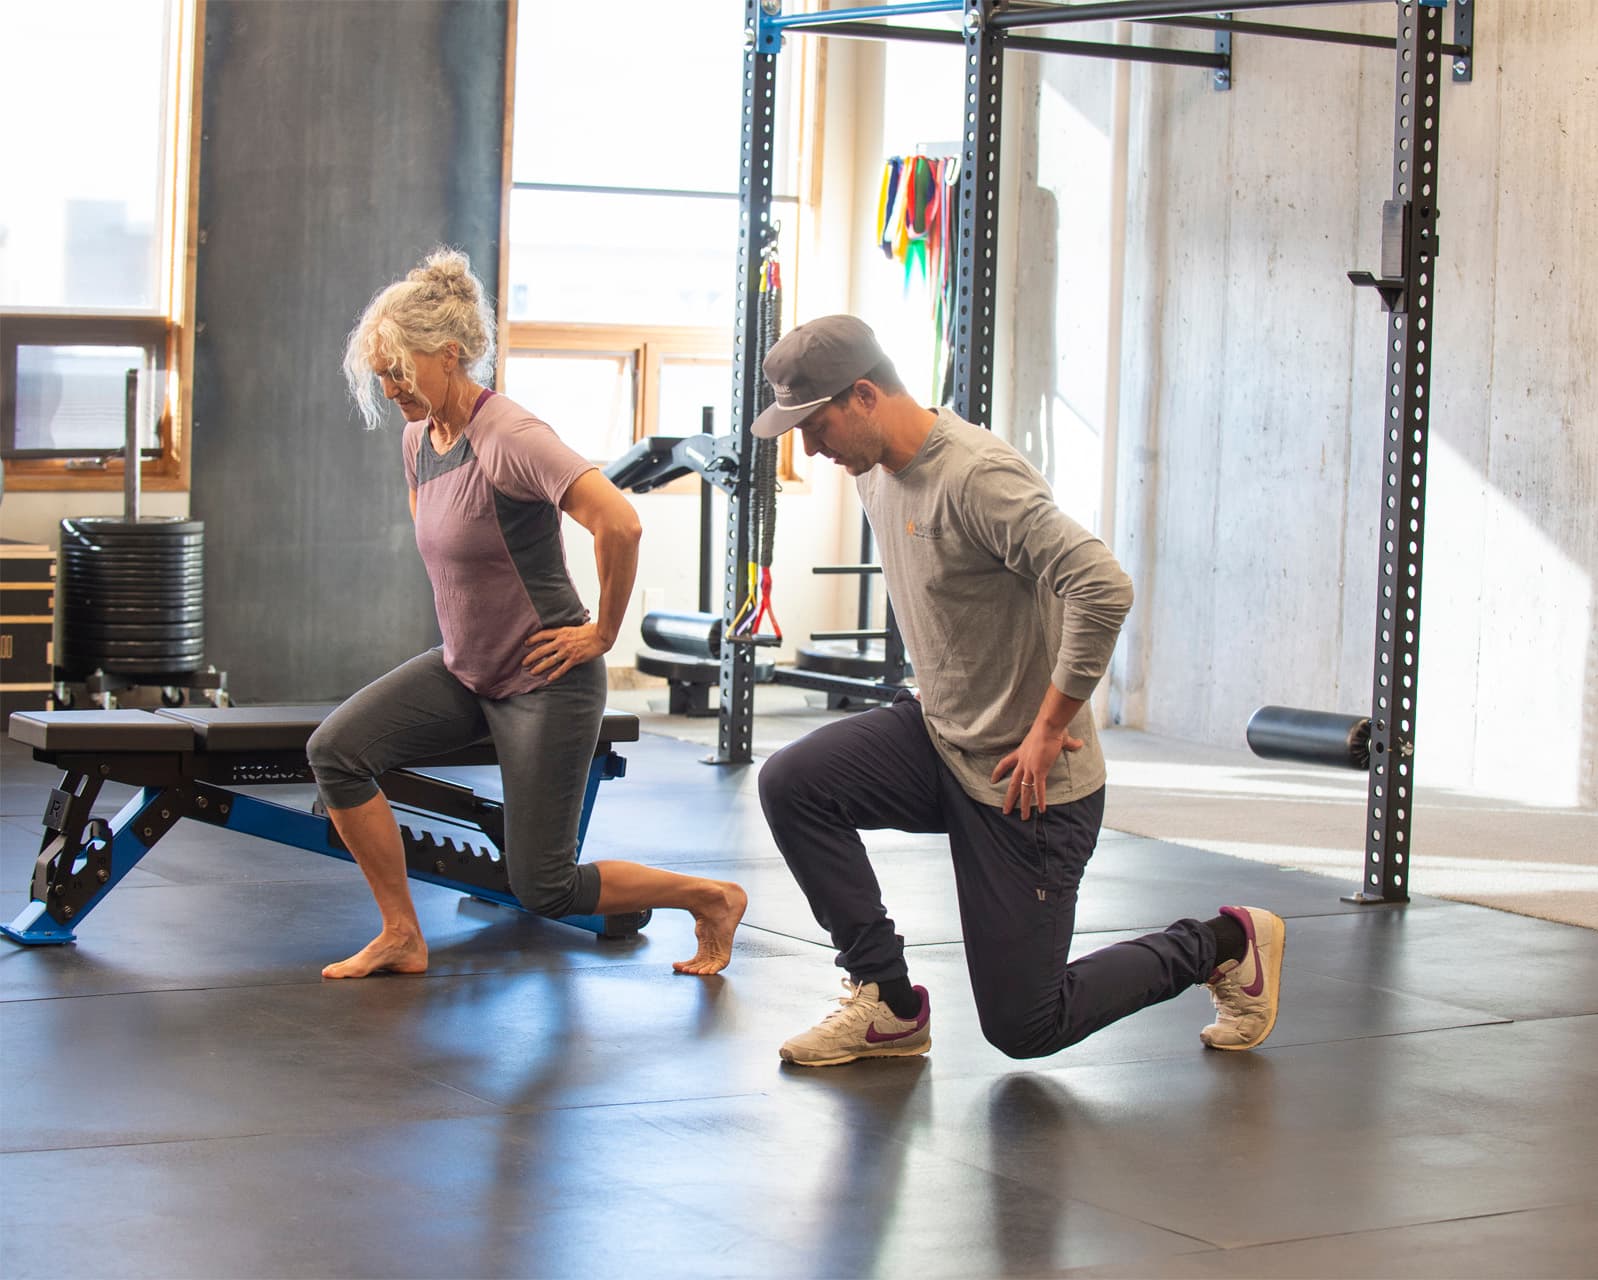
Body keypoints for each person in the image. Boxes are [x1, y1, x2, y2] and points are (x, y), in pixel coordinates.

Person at [751, 315, 1285, 1066]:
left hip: (1028, 784)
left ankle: (1225, 943)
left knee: (1025, 1026)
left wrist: (1047, 725)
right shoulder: (874, 469)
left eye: (817, 425)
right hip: (939, 738)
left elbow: (1102, 585)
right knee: (794, 783)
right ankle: (889, 1004)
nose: (810, 448)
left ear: (865, 395)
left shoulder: (975, 475)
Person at [307, 248, 746, 980]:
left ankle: (708, 895)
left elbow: (619, 522)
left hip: (546, 680)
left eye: (400, 371)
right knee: (337, 751)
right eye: (380, 375)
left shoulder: (508, 435)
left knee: (542, 887)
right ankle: (402, 935)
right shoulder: (419, 441)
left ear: (449, 355)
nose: (389, 390)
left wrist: (603, 633)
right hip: (467, 670)